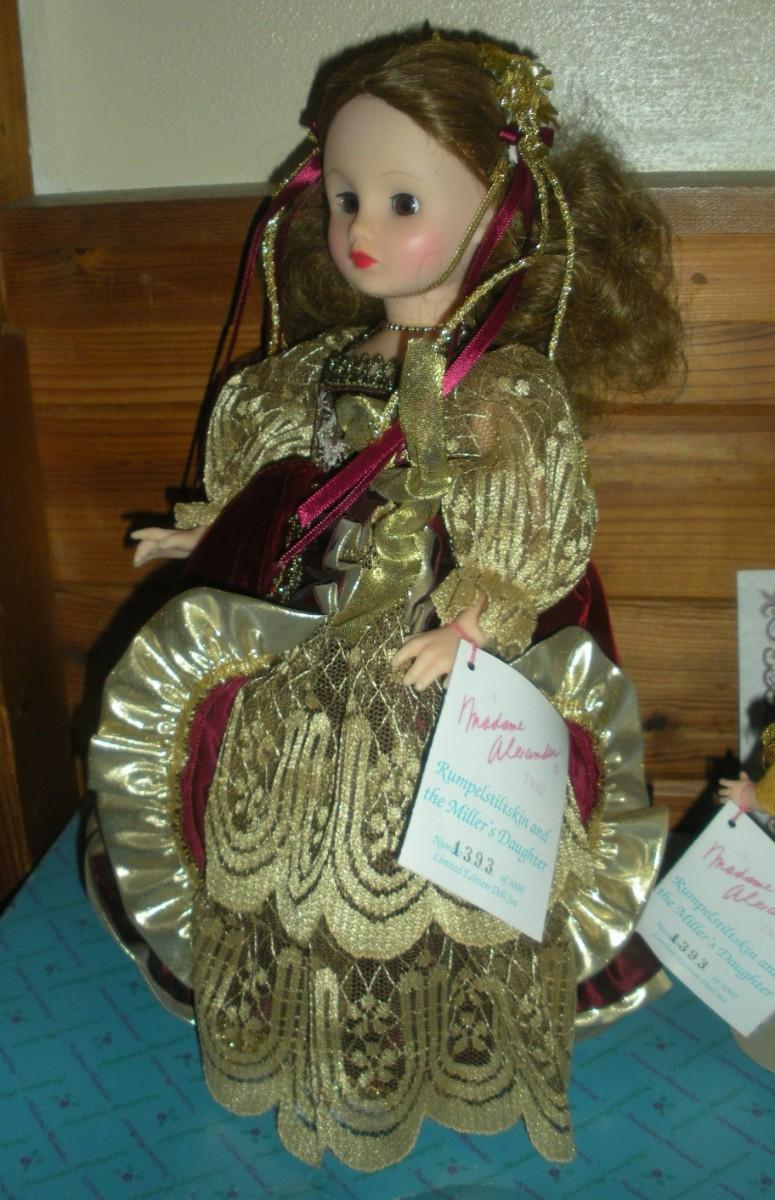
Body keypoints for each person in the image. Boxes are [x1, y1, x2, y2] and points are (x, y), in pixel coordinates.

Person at [87, 31, 684, 1170]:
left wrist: (478, 620)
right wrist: (207, 530)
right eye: (345, 198)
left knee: (416, 810)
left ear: (495, 213)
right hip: (310, 631)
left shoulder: (501, 391)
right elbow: (283, 480)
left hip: (433, 638)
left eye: (402, 201)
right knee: (270, 781)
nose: (360, 229)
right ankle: (301, 1025)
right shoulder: (322, 367)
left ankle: (431, 1028)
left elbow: (530, 531)